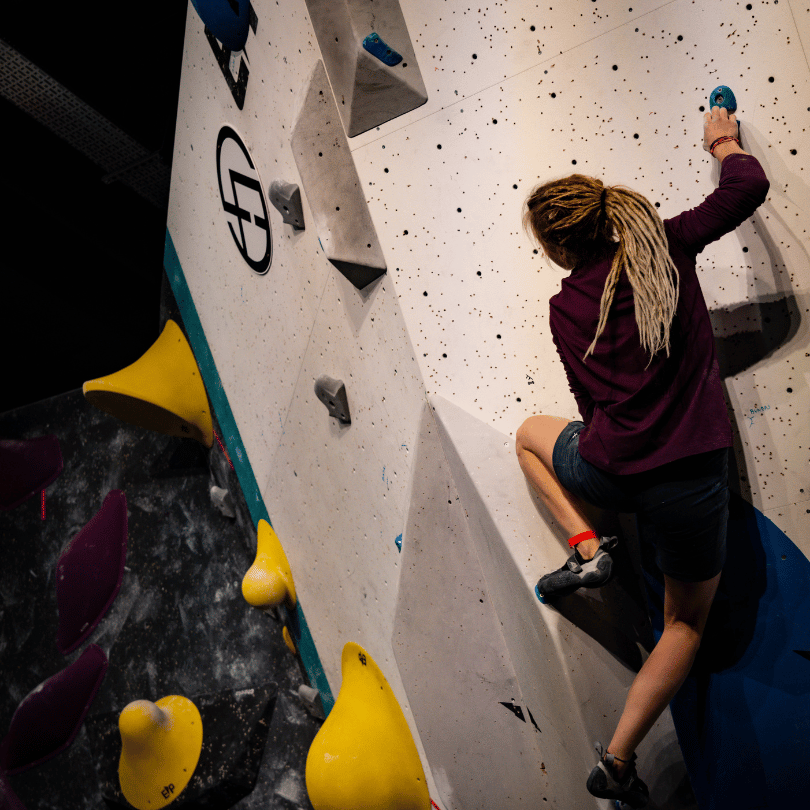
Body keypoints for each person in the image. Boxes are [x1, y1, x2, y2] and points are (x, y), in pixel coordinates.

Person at [515, 106, 770, 807]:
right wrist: (723, 141)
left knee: (531, 435)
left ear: (559, 247)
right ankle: (619, 760)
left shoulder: (565, 305)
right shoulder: (663, 247)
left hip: (609, 467)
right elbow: (746, 189)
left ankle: (589, 544)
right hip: (688, 480)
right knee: (685, 623)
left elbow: (586, 402)